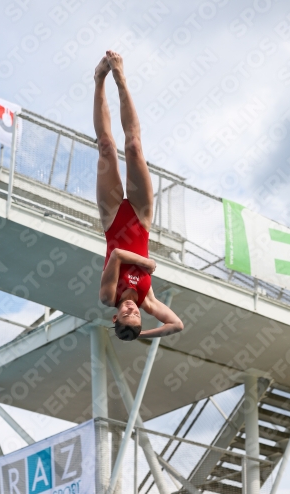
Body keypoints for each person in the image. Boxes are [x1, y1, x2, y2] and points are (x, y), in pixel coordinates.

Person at [94, 50, 183, 341]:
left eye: (126, 314)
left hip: (113, 220)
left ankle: (99, 80)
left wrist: (146, 264)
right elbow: (176, 325)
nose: (132, 308)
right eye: (136, 315)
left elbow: (118, 254)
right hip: (142, 220)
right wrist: (142, 334)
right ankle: (121, 79)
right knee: (133, 147)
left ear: (115, 316)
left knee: (107, 147)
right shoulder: (148, 301)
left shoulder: (108, 296)